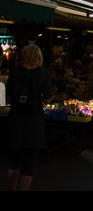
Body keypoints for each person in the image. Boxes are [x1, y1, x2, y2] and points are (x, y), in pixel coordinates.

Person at [6, 44, 52, 191]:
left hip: (15, 119)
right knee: (28, 163)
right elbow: (47, 99)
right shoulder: (44, 73)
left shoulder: (15, 72)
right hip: (33, 121)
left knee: (14, 160)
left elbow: (7, 94)